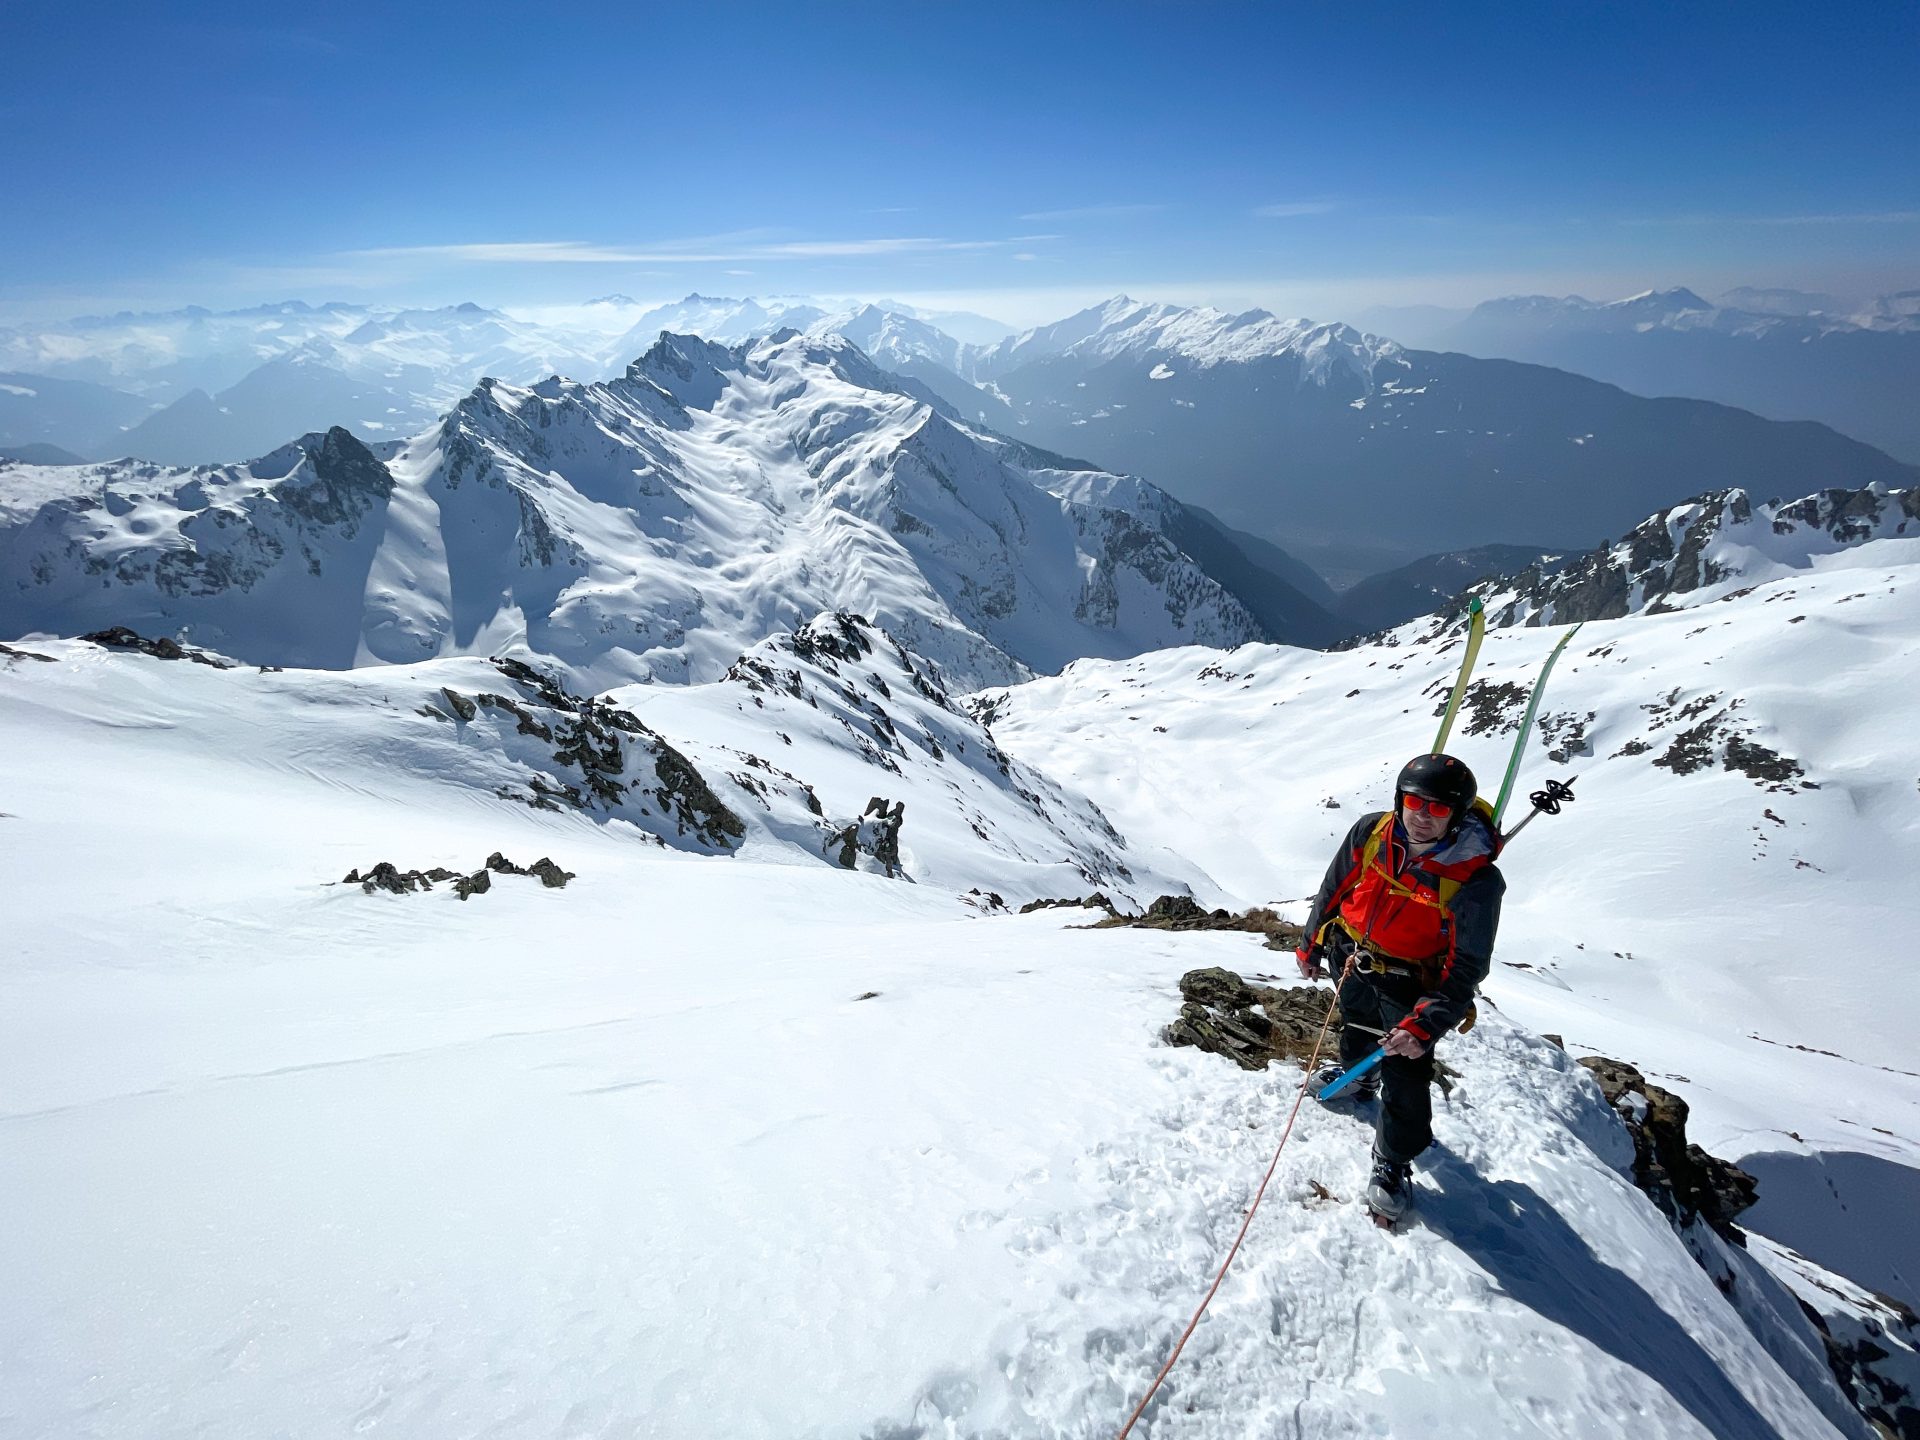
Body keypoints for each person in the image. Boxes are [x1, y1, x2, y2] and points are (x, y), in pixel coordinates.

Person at [1295, 753, 1505, 1221]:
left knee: (1408, 1078)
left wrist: (1424, 1024)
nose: (1421, 815)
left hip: (1411, 985)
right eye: (1413, 801)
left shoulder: (1477, 880)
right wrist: (1311, 943)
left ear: (1457, 813)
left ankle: (1392, 1160)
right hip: (1350, 955)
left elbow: (1468, 965)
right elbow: (1335, 886)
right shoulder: (1373, 832)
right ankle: (1359, 1076)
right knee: (1355, 1027)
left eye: (1437, 808)